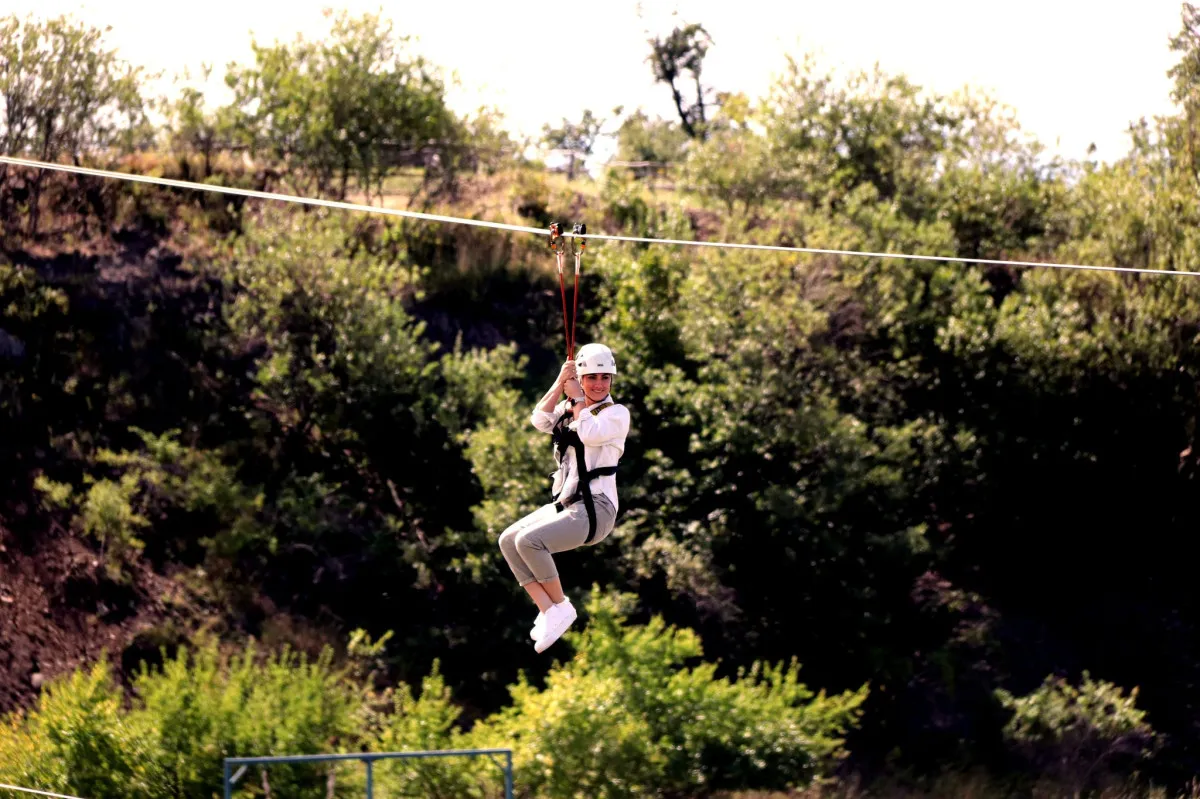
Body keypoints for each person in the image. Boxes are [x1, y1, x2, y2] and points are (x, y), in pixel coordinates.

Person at [497, 342, 630, 653]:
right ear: (581, 378)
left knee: (529, 542)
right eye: (592, 378)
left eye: (605, 378)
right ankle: (548, 609)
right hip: (568, 504)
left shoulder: (616, 414)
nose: (599, 384)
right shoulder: (572, 408)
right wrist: (560, 383)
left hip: (597, 509)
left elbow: (590, 434)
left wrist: (579, 400)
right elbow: (540, 420)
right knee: (508, 540)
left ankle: (560, 606)